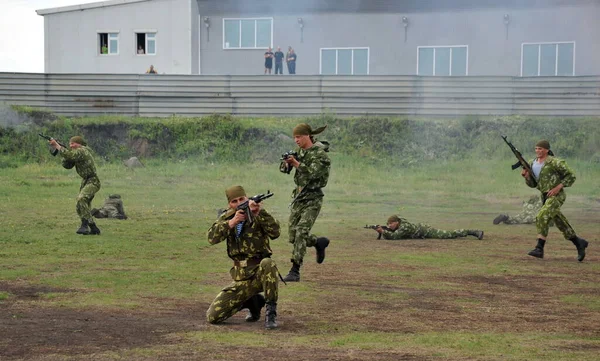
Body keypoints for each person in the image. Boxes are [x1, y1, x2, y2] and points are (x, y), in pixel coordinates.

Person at [206, 186, 281, 329]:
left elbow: (276, 232)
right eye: (234, 201)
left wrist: (259, 213)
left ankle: (271, 312)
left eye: (242, 199)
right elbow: (211, 238)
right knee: (213, 316)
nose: (239, 202)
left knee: (268, 263)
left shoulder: (257, 214)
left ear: (247, 198)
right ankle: (252, 302)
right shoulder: (228, 217)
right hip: (241, 278)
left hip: (261, 274)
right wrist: (231, 223)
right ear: (230, 204)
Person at [520, 140, 588, 261]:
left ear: (546, 150)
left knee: (541, 217)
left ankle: (539, 248)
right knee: (560, 221)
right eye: (536, 149)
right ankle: (578, 243)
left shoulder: (555, 162)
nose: (538, 151)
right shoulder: (531, 163)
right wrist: (526, 177)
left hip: (556, 196)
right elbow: (533, 184)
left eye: (540, 149)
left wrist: (558, 187)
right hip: (545, 196)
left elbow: (571, 176)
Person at [281, 123, 331, 282]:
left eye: (299, 137)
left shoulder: (320, 154)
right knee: (293, 236)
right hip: (299, 197)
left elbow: (314, 174)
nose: (296, 140)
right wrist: (287, 163)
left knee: (301, 231)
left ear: (307, 136)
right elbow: (283, 170)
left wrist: (296, 163)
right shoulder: (299, 152)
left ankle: (295, 270)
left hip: (313, 197)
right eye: (294, 137)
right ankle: (317, 242)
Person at [48, 136, 101, 235]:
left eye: (73, 143)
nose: (71, 146)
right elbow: (67, 165)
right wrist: (61, 150)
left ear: (79, 144)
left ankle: (84, 225)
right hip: (85, 181)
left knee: (81, 199)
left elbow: (71, 155)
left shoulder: (82, 150)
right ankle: (93, 228)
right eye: (70, 144)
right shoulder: (75, 153)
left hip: (93, 181)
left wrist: (57, 146)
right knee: (80, 206)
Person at [373, 215, 484, 240]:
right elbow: (392, 234)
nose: (389, 226)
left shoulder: (404, 227)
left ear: (397, 222)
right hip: (422, 230)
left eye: (391, 224)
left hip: (426, 231)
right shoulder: (400, 224)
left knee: (448, 234)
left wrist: (383, 231)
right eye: (388, 224)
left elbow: (395, 237)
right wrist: (384, 231)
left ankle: (473, 232)